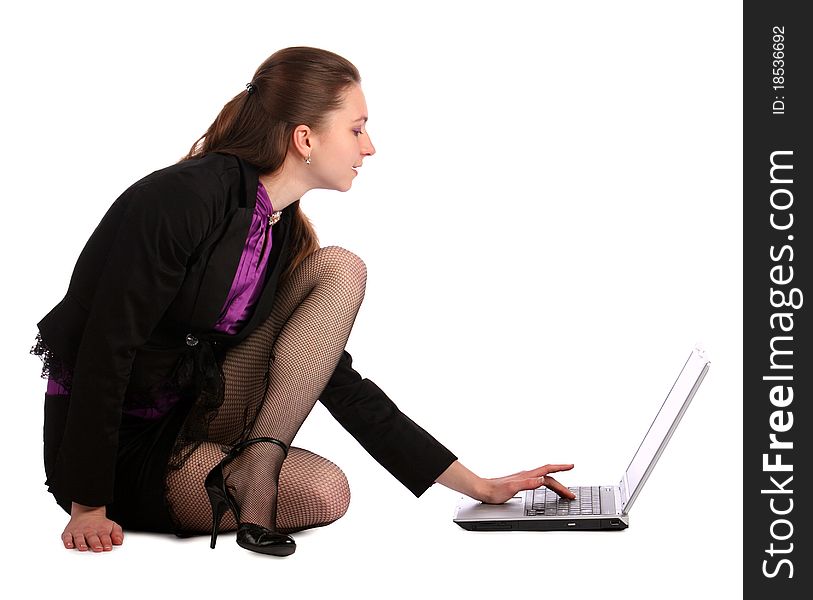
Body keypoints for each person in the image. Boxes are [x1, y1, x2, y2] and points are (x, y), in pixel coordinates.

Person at [31, 46, 576, 557]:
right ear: (305, 138)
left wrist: (474, 483)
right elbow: (107, 346)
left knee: (338, 269)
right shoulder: (182, 198)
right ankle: (240, 473)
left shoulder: (281, 230)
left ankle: (255, 467)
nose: (369, 147)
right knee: (322, 492)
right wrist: (88, 505)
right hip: (113, 453)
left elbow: (329, 375)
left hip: (193, 414)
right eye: (358, 129)